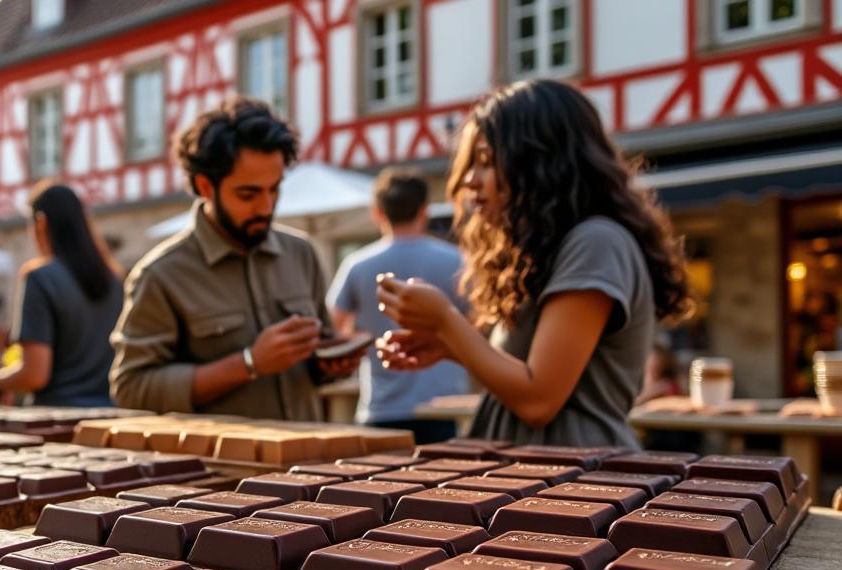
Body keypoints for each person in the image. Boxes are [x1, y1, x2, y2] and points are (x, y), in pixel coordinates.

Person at [376, 79, 690, 448]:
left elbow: (538, 398)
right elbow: (528, 376)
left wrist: (446, 320)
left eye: (486, 162)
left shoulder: (596, 242)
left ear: (540, 163)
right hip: (539, 474)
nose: (470, 181)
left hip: (579, 480)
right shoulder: (549, 249)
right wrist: (449, 345)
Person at [109, 98, 362, 420]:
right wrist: (248, 363)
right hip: (224, 468)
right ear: (205, 186)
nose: (266, 207)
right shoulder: (160, 274)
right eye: (248, 194)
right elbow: (131, 389)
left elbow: (317, 360)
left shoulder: (302, 253)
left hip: (309, 463)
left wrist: (332, 364)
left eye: (274, 189)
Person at [327, 168, 467, 443]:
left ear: (377, 212)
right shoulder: (457, 261)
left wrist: (369, 339)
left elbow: (336, 331)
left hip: (380, 407)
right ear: (424, 210)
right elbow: (479, 323)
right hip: (446, 406)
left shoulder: (357, 265)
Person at [0, 182, 125, 406]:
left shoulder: (40, 277)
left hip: (56, 418)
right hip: (109, 418)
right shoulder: (115, 279)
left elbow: (35, 374)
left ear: (41, 222)